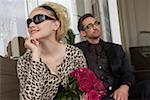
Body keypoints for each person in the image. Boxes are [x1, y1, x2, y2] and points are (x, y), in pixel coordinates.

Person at [17, 2, 87, 100]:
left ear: (56, 25)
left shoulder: (75, 54)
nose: (31, 25)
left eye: (39, 18)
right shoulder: (25, 61)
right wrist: (35, 55)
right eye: (29, 22)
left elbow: (85, 91)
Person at [74, 13, 150, 100]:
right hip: (98, 96)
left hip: (119, 90)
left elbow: (128, 73)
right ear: (83, 33)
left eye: (96, 23)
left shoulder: (116, 49)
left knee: (147, 86)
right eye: (90, 26)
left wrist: (124, 88)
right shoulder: (77, 51)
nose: (95, 27)